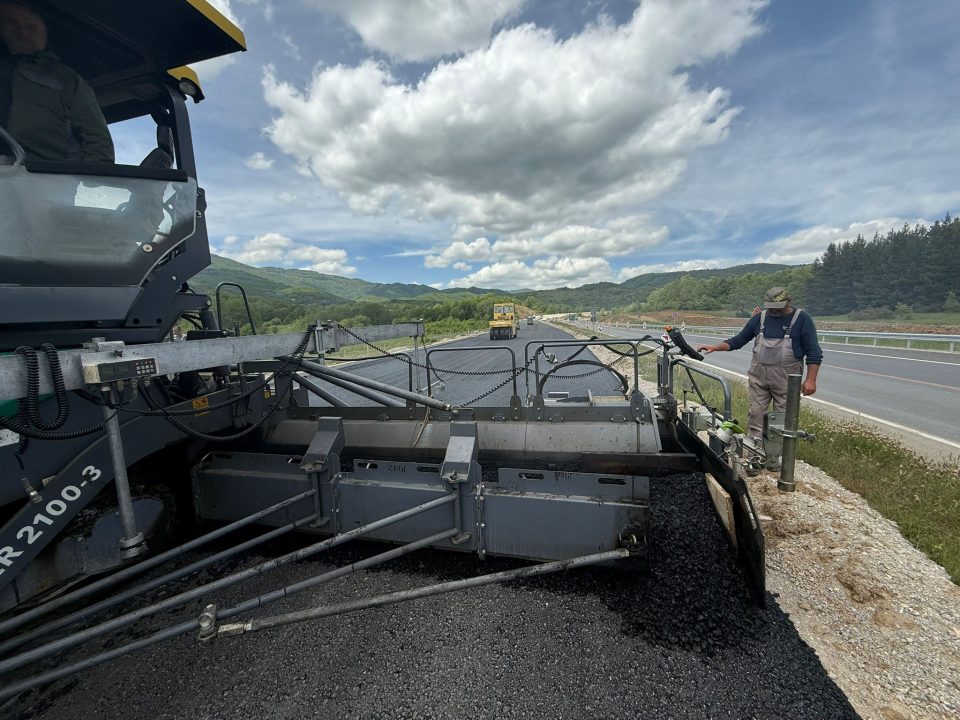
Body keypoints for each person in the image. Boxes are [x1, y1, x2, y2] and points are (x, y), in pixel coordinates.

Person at [697, 287, 822, 442]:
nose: (773, 311)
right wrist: (715, 347)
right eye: (770, 308)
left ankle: (778, 456)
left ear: (788, 303)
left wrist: (811, 380)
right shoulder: (760, 318)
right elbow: (738, 341)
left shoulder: (802, 319)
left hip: (786, 380)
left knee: (783, 419)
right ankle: (754, 451)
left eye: (777, 308)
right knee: (755, 414)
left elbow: (814, 353)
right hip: (759, 377)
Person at [0, 1, 114, 162]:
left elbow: (98, 142)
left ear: (44, 36)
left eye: (31, 27)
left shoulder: (67, 79)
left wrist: (92, 180)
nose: (22, 31)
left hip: (38, 176)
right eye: (12, 23)